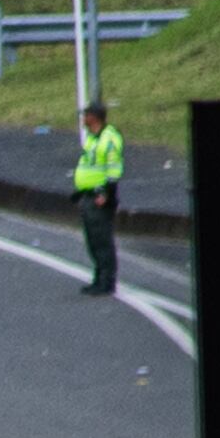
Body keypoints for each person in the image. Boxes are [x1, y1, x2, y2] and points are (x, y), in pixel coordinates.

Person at [74, 101, 126, 295]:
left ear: (94, 117)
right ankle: (98, 276)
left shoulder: (109, 138)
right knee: (93, 239)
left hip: (100, 197)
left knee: (102, 239)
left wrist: (107, 195)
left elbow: (114, 170)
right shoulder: (92, 137)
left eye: (86, 115)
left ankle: (107, 280)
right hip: (88, 196)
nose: (83, 119)